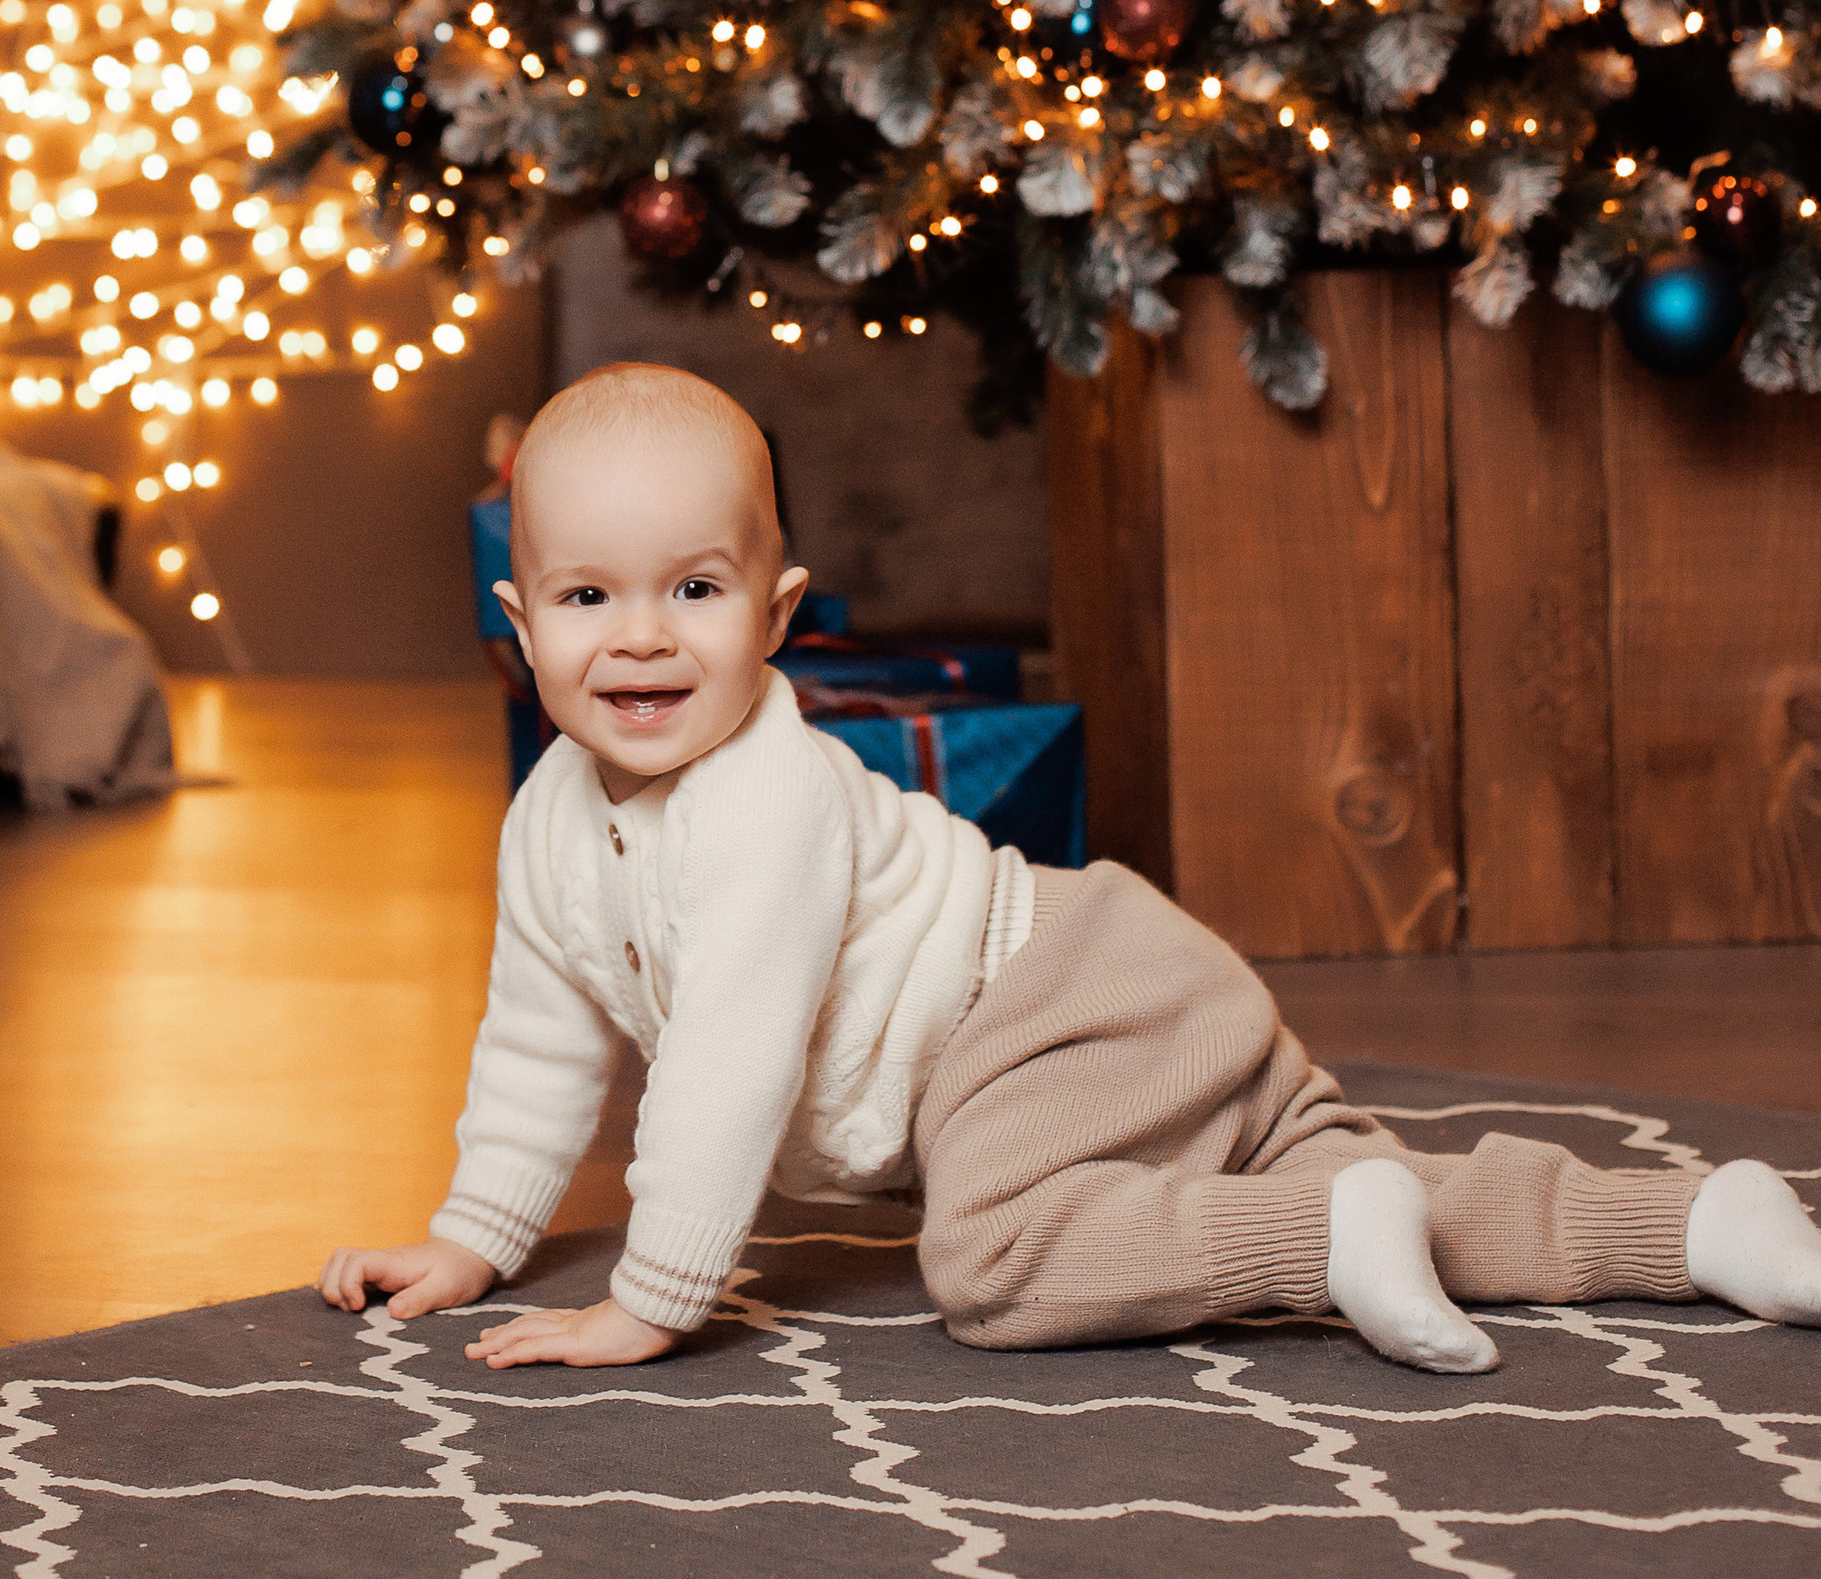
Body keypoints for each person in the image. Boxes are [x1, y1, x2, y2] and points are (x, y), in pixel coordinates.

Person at [318, 362, 1821, 1375]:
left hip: (1058, 999)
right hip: (1105, 1015)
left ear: (775, 613)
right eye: (589, 596)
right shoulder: (546, 828)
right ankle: (1697, 1226)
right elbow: (537, 1031)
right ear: (521, 626)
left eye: (694, 590)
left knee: (995, 1258)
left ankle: (1315, 1229)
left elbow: (726, 1053)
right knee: (1389, 1196)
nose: (640, 636)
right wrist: (478, 1236)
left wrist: (649, 1303)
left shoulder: (765, 797)